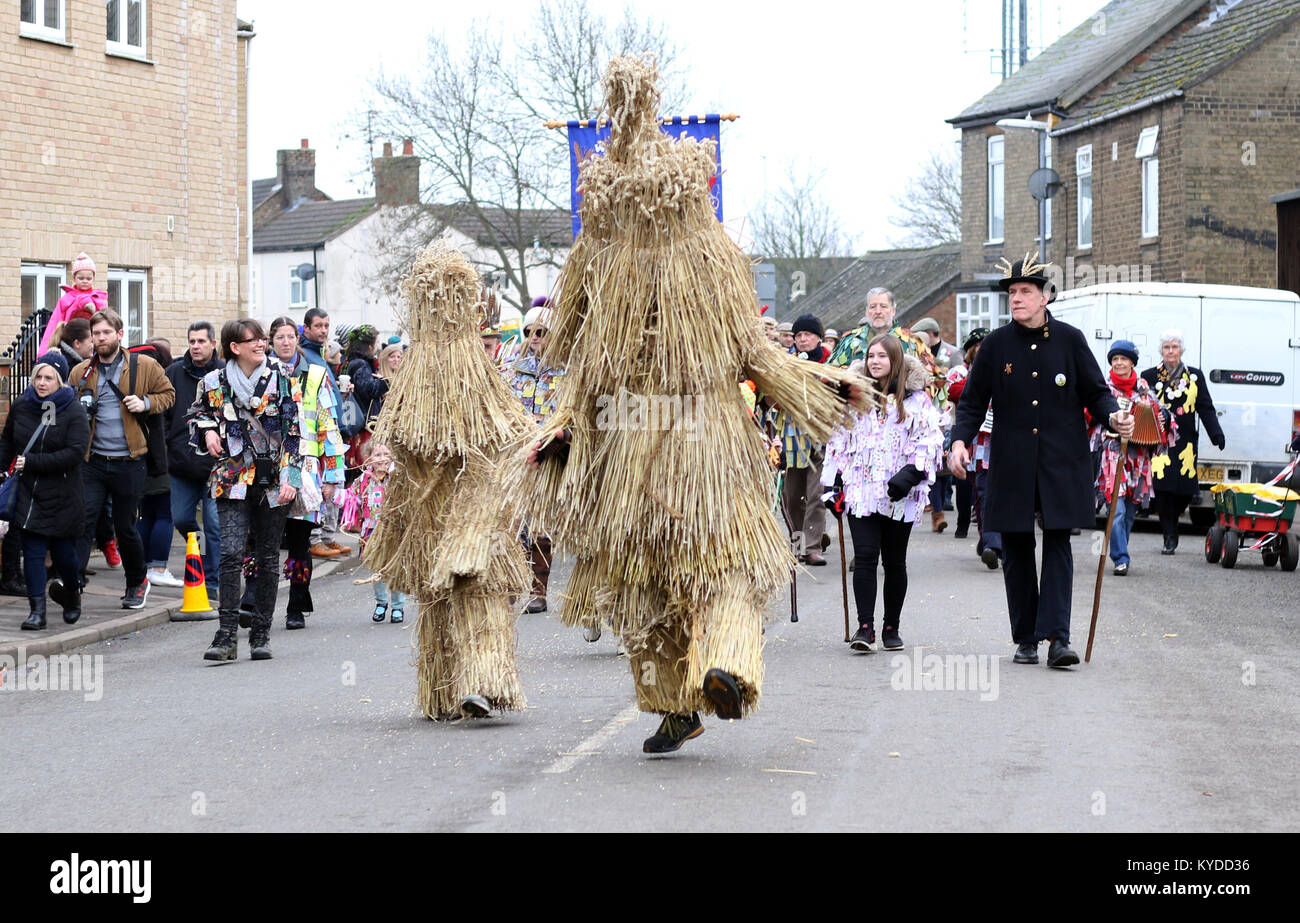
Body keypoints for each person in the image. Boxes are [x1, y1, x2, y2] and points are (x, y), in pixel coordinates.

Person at [518, 57, 874, 754]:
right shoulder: (611, 253)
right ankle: (682, 697)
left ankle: (729, 663)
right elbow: (581, 362)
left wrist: (816, 385)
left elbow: (748, 348)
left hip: (688, 432)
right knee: (650, 572)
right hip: (637, 437)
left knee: (713, 555)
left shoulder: (687, 254)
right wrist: (561, 430)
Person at [950, 252, 1132, 669]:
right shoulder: (995, 346)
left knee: (1058, 545)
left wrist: (1113, 415)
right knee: (1016, 547)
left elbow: (1096, 392)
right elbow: (973, 403)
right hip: (1012, 463)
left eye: (1025, 292)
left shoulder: (1071, 340)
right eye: (1012, 292)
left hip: (1060, 461)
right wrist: (958, 442)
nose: (1016, 299)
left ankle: (1058, 638)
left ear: (1045, 296)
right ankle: (1027, 638)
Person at [189, 318, 302, 661]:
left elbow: (295, 431)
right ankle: (225, 636)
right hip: (232, 477)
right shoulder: (213, 381)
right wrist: (207, 430)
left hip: (272, 479)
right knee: (230, 554)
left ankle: (261, 634)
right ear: (234, 347)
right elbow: (195, 415)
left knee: (268, 558)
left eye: (262, 340)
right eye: (253, 340)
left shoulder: (281, 377)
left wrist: (291, 479)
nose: (261, 345)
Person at [823, 335, 942, 653]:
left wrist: (911, 474)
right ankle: (865, 628)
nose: (875, 361)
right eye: (871, 356)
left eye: (882, 356)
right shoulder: (854, 397)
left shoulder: (916, 400)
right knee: (864, 557)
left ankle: (892, 626)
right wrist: (830, 485)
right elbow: (837, 442)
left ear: (896, 361)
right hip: (861, 491)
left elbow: (930, 441)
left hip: (899, 494)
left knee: (894, 562)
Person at [66, 309, 175, 609]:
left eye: (105, 333)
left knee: (125, 528)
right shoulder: (81, 372)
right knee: (83, 521)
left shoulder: (144, 366)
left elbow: (169, 394)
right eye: (95, 334)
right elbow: (69, 409)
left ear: (119, 334)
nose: (100, 339)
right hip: (93, 461)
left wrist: (146, 402)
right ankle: (72, 584)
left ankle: (137, 582)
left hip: (130, 460)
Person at [265, 315, 346, 630]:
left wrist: (331, 475)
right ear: (271, 342)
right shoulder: (264, 373)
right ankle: (254, 601)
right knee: (265, 535)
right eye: (279, 337)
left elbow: (328, 424)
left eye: (289, 337)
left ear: (296, 339)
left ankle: (296, 605)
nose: (285, 343)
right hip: (271, 468)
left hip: (306, 467)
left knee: (299, 538)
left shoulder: (314, 374)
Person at [0, 352, 89, 630]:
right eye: (38, 376)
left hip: (63, 493)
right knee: (34, 552)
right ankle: (37, 612)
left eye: (48, 377)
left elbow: (76, 452)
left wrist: (34, 462)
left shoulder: (72, 410)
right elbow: (7, 442)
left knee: (65, 556)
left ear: (60, 381)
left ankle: (72, 596)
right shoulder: (22, 406)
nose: (41, 382)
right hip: (29, 493)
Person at [1093, 340, 1176, 576]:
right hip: (1112, 454)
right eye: (1115, 359)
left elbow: (1161, 412)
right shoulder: (1104, 388)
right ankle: (1120, 557)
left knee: (1130, 511)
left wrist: (1164, 420)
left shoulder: (1143, 389)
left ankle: (1121, 550)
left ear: (1132, 362)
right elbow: (1091, 414)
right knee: (1116, 509)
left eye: (1123, 359)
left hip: (1138, 458)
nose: (1118, 363)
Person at [502, 301, 564, 615]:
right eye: (530, 331)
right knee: (514, 523)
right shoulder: (513, 364)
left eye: (541, 331)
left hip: (548, 452)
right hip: (517, 450)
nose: (535, 336)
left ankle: (538, 591)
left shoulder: (564, 366)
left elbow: (568, 409)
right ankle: (514, 585)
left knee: (540, 524)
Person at [1140, 330, 1225, 554]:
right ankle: (1169, 533)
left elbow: (1205, 408)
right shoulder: (1148, 376)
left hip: (1186, 443)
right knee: (1162, 489)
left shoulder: (1194, 376)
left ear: (1181, 350)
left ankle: (1174, 521)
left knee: (1186, 490)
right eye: (1167, 347)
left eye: (1174, 347)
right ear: (1161, 351)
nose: (1170, 351)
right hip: (1158, 443)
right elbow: (1140, 407)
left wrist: (1217, 434)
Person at [164, 321, 224, 592]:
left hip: (217, 465)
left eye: (201, 341)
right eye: (192, 341)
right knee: (181, 519)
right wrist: (169, 443)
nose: (196, 346)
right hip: (182, 463)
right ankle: (197, 556)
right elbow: (164, 412)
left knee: (214, 524)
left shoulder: (225, 373)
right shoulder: (174, 372)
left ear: (213, 343)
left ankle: (212, 581)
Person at [774, 313, 832, 565]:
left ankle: (812, 547)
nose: (802, 339)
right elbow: (770, 398)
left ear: (818, 337)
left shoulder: (830, 363)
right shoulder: (785, 363)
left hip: (821, 436)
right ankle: (797, 545)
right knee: (793, 496)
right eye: (798, 335)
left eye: (807, 334)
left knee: (816, 494)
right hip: (791, 437)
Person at [299, 308, 349, 559]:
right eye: (318, 325)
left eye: (326, 325)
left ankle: (327, 537)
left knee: (333, 482)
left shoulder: (320, 355)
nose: (323, 330)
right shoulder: (306, 356)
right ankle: (315, 537)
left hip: (331, 429)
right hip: (314, 432)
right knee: (320, 486)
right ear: (306, 328)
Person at [133, 338, 182, 588]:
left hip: (138, 460)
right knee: (164, 514)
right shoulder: (160, 389)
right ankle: (158, 567)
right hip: (160, 461)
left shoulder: (134, 384)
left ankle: (142, 567)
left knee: (146, 516)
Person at [341, 440, 405, 623]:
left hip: (394, 531)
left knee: (394, 569)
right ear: (368, 460)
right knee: (377, 569)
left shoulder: (398, 478)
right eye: (377, 455)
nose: (383, 459)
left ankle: (398, 606)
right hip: (371, 531)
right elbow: (351, 497)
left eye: (386, 454)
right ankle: (381, 602)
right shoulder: (363, 480)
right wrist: (334, 495)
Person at [38, 253, 108, 355]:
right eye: (81, 278)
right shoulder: (66, 299)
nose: (85, 281)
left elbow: (106, 322)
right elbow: (54, 324)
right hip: (70, 343)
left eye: (88, 279)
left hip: (93, 343)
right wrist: (44, 352)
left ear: (94, 279)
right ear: (74, 278)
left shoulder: (98, 299)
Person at [343, 324, 389, 474]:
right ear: (370, 347)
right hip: (363, 422)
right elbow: (368, 389)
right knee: (363, 465)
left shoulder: (356, 362)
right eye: (376, 344)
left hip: (363, 420)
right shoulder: (361, 365)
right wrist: (384, 382)